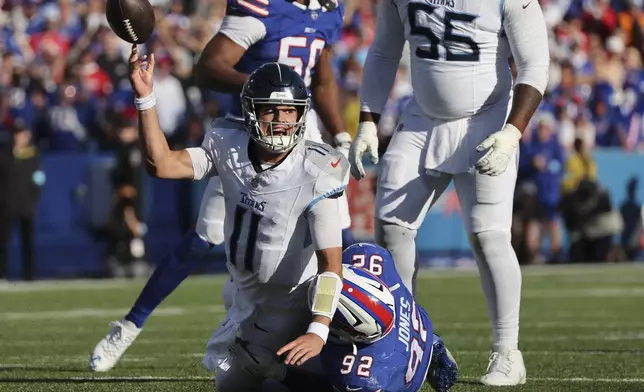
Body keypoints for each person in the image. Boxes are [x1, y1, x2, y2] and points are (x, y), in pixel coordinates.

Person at [89, 0, 353, 372]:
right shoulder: (263, 7)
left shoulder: (327, 10)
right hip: (255, 130)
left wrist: (341, 133)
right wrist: (267, 92)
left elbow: (321, 77)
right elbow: (209, 67)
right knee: (202, 238)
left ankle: (380, 330)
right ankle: (130, 326)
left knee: (342, 242)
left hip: (304, 134)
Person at [348, 0, 550, 385]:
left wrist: (513, 131)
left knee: (489, 236)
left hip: (487, 117)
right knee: (391, 228)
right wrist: (368, 121)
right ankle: (406, 340)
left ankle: (509, 352)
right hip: (422, 118)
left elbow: (535, 65)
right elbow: (383, 51)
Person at [320, 243, 458, 392]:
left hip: (394, 362)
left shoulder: (368, 378)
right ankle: (430, 343)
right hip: (414, 329)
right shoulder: (373, 258)